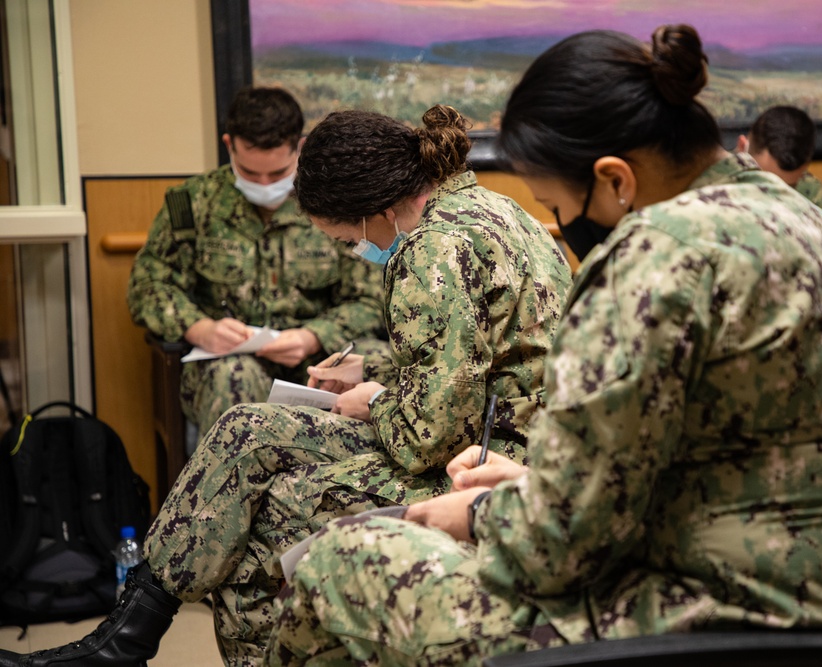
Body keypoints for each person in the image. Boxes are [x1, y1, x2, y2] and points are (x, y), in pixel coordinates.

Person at [262, 25, 822, 666]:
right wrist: (533, 483)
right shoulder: (813, 221)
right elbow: (729, 460)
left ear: (614, 182)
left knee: (340, 557)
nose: (562, 224)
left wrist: (484, 512)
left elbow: (557, 549)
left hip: (721, 618)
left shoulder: (658, 254)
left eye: (552, 200)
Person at [0, 105, 572, 667]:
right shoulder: (492, 208)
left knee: (272, 510)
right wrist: (371, 371)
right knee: (244, 427)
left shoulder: (431, 250)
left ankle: (146, 643)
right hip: (486, 432)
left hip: (488, 458)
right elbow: (472, 361)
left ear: (374, 209)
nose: (355, 250)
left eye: (346, 238)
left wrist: (372, 401)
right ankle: (126, 637)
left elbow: (426, 436)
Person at [126, 86, 386, 439]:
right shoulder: (192, 203)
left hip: (315, 357)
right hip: (225, 362)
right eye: (250, 173)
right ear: (229, 144)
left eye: (278, 174)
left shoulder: (334, 205)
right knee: (233, 375)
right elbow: (148, 286)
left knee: (378, 362)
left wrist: (314, 336)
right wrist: (198, 327)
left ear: (300, 146)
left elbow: (372, 298)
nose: (264, 184)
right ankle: (233, 492)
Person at [735, 105, 822, 221]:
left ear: (805, 166)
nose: (774, 193)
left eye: (788, 187)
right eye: (762, 182)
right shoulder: (717, 184)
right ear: (742, 147)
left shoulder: (814, 195)